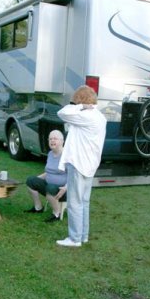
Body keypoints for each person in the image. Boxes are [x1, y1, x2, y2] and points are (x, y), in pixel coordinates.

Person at [55, 86, 107, 247]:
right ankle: (83, 235)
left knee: (75, 202)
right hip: (90, 165)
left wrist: (79, 106)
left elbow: (62, 112)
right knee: (84, 202)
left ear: (81, 100)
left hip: (79, 164)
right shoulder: (99, 116)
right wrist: (82, 107)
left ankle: (74, 238)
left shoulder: (86, 116)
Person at [25, 129, 67, 222]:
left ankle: (56, 213)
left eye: (55, 138)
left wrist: (66, 187)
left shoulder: (67, 155)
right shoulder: (50, 154)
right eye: (50, 139)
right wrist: (37, 179)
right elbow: (49, 172)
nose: (52, 141)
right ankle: (38, 207)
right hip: (49, 187)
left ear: (62, 141)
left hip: (63, 191)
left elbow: (74, 176)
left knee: (50, 188)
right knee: (30, 180)